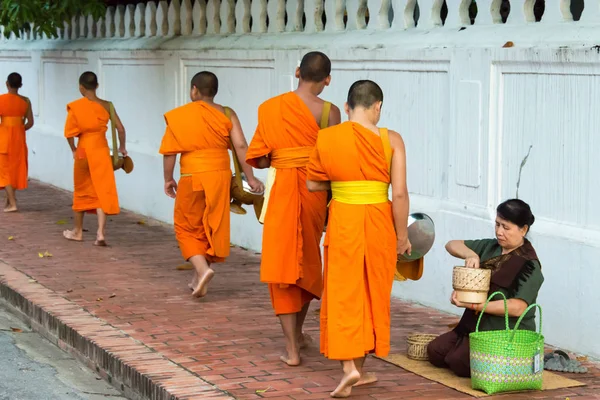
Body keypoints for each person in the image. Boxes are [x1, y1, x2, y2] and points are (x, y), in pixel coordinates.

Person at [306, 80, 411, 398]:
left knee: (343, 293)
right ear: (377, 106)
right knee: (371, 291)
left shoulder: (327, 137)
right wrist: (402, 237)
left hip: (344, 221)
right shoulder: (391, 139)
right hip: (379, 221)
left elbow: (312, 185)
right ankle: (359, 368)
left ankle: (350, 368)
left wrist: (343, 187)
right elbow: (401, 192)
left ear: (348, 106)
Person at [245, 51, 341, 367]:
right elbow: (330, 158)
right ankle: (298, 334)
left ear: (297, 72)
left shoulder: (270, 108)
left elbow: (258, 158)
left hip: (282, 191)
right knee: (307, 262)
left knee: (283, 265)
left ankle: (292, 348)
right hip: (314, 192)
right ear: (327, 79)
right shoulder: (331, 112)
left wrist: (281, 158)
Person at [160, 71, 263, 298]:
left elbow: (170, 152)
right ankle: (199, 278)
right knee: (210, 224)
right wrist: (251, 178)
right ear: (214, 91)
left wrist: (168, 178)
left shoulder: (181, 115)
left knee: (186, 226)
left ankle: (202, 269)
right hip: (219, 177)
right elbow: (241, 146)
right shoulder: (227, 113)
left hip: (192, 176)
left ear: (194, 90)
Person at [427, 199, 544, 377]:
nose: (499, 231)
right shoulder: (491, 246)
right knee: (435, 352)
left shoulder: (529, 264)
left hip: (502, 333)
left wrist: (475, 306)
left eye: (506, 227)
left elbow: (517, 307)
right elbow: (451, 244)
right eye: (497, 224)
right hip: (473, 325)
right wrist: (471, 254)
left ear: (524, 230)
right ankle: (465, 345)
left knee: (458, 362)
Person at [63, 72, 126, 246]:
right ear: (97, 86)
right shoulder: (107, 106)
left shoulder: (76, 106)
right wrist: (122, 147)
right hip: (101, 150)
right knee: (102, 189)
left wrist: (74, 149)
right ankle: (100, 233)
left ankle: (77, 231)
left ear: (81, 87)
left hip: (83, 150)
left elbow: (69, 133)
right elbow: (120, 129)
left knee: (81, 188)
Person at [0, 72, 34, 212]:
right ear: (20, 85)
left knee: (4, 171)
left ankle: (13, 203)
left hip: (4, 137)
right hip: (19, 138)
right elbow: (30, 122)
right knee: (16, 168)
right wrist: (19, 129)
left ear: (7, 84)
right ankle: (9, 200)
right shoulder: (26, 101)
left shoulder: (1, 100)